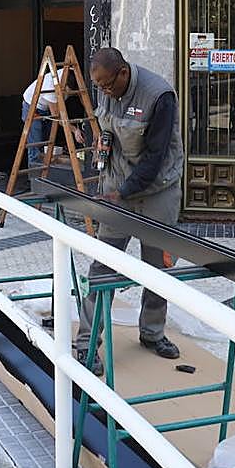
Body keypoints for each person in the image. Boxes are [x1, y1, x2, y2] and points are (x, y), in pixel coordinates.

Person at [75, 47, 185, 365]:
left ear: (123, 72)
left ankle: (152, 333)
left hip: (157, 190)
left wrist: (123, 193)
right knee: (102, 267)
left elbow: (155, 157)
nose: (105, 91)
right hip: (117, 188)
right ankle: (86, 342)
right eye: (99, 86)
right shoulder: (107, 88)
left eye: (108, 85)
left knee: (157, 268)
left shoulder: (159, 96)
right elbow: (108, 129)